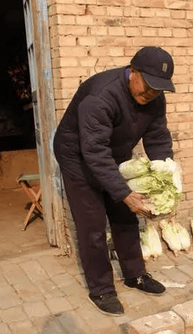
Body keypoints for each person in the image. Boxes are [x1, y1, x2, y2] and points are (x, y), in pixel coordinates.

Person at [53, 46, 176, 316]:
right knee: (93, 223)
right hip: (78, 156)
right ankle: (101, 289)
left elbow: (157, 138)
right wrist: (122, 191)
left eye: (158, 89)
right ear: (133, 71)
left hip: (112, 153)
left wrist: (167, 180)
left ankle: (135, 275)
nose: (151, 94)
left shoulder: (154, 97)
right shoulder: (101, 96)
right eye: (147, 87)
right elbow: (94, 152)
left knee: (124, 216)